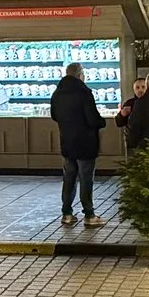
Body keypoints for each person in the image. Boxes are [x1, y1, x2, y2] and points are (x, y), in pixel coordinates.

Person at [48, 62, 106, 228]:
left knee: (69, 179)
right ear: (80, 74)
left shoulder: (57, 93)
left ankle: (67, 213)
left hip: (67, 142)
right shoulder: (84, 92)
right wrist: (101, 122)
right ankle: (89, 214)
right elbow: (92, 118)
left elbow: (54, 116)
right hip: (85, 143)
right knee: (86, 179)